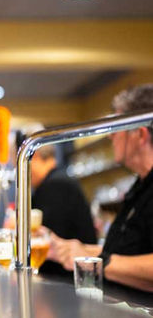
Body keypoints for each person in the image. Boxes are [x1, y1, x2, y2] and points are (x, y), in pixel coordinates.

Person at [49, 84, 153, 292]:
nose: (110, 136)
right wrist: (71, 249)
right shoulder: (140, 185)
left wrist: (98, 262)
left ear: (140, 135)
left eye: (117, 129)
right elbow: (124, 252)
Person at [30, 144, 97, 274]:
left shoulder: (55, 185)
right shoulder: (57, 180)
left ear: (35, 156)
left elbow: (47, 244)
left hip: (69, 278)